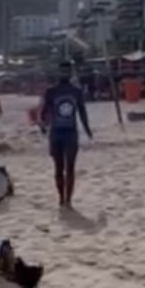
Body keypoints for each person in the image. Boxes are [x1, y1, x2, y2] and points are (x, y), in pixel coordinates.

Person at [40, 61, 93, 208]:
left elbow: (82, 112)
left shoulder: (76, 91)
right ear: (58, 72)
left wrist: (88, 129)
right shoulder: (51, 91)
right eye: (62, 71)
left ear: (71, 73)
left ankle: (68, 199)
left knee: (69, 167)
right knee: (58, 167)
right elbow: (44, 111)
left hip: (70, 133)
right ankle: (61, 198)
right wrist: (43, 124)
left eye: (67, 71)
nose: (65, 74)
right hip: (56, 133)